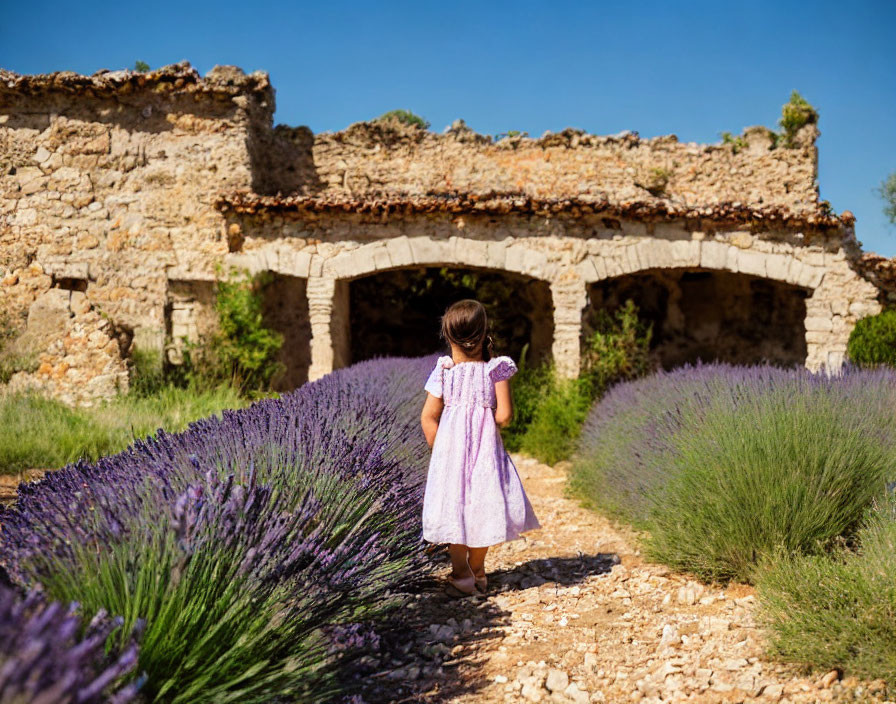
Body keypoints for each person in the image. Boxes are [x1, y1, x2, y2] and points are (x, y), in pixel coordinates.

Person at [420, 299, 541, 598]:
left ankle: (461, 574)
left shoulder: (444, 371)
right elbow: (504, 415)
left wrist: (442, 449)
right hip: (485, 454)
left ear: (448, 336)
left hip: (451, 457)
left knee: (454, 509)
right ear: (485, 332)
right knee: (482, 508)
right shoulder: (495, 369)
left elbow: (428, 417)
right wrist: (486, 426)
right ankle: (478, 570)